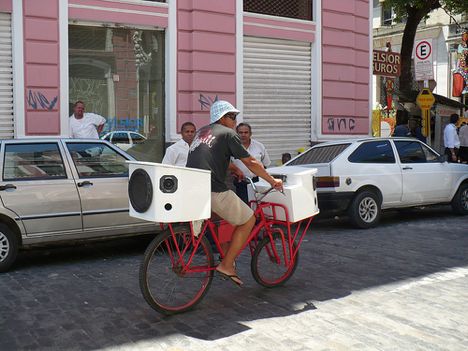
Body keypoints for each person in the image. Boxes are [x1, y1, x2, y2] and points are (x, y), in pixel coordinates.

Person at [186, 100, 283, 286]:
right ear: (222, 118)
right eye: (232, 117)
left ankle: (225, 254)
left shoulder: (202, 132)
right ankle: (227, 265)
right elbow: (251, 163)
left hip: (193, 188)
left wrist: (233, 168)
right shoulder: (229, 134)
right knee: (249, 220)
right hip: (213, 189)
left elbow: (210, 156)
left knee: (221, 221)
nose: (235, 122)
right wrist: (272, 181)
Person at [231, 123, 271, 204]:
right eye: (240, 132)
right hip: (241, 183)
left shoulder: (259, 146)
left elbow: (266, 164)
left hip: (257, 182)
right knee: (244, 207)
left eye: (246, 132)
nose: (243, 135)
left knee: (259, 206)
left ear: (250, 134)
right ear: (236, 133)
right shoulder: (232, 147)